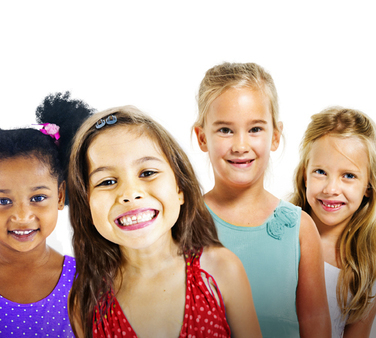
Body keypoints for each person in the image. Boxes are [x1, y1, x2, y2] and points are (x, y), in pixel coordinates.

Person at [68, 106, 260, 337]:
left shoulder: (221, 269)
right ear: (86, 206)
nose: (130, 193)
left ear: (180, 188)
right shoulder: (86, 298)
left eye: (147, 173)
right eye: (107, 182)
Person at [193, 62, 330, 337]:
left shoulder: (299, 228)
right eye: (225, 130)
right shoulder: (186, 221)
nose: (241, 145)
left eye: (255, 129)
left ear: (275, 136)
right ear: (202, 137)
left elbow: (315, 320)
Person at [0, 92, 93, 337]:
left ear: (60, 195)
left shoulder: (82, 280)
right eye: (3, 200)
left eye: (37, 198)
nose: (22, 216)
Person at [290, 107, 376, 337]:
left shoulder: (370, 262)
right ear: (305, 175)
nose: (331, 189)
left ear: (368, 185)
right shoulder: (281, 233)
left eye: (349, 175)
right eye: (320, 171)